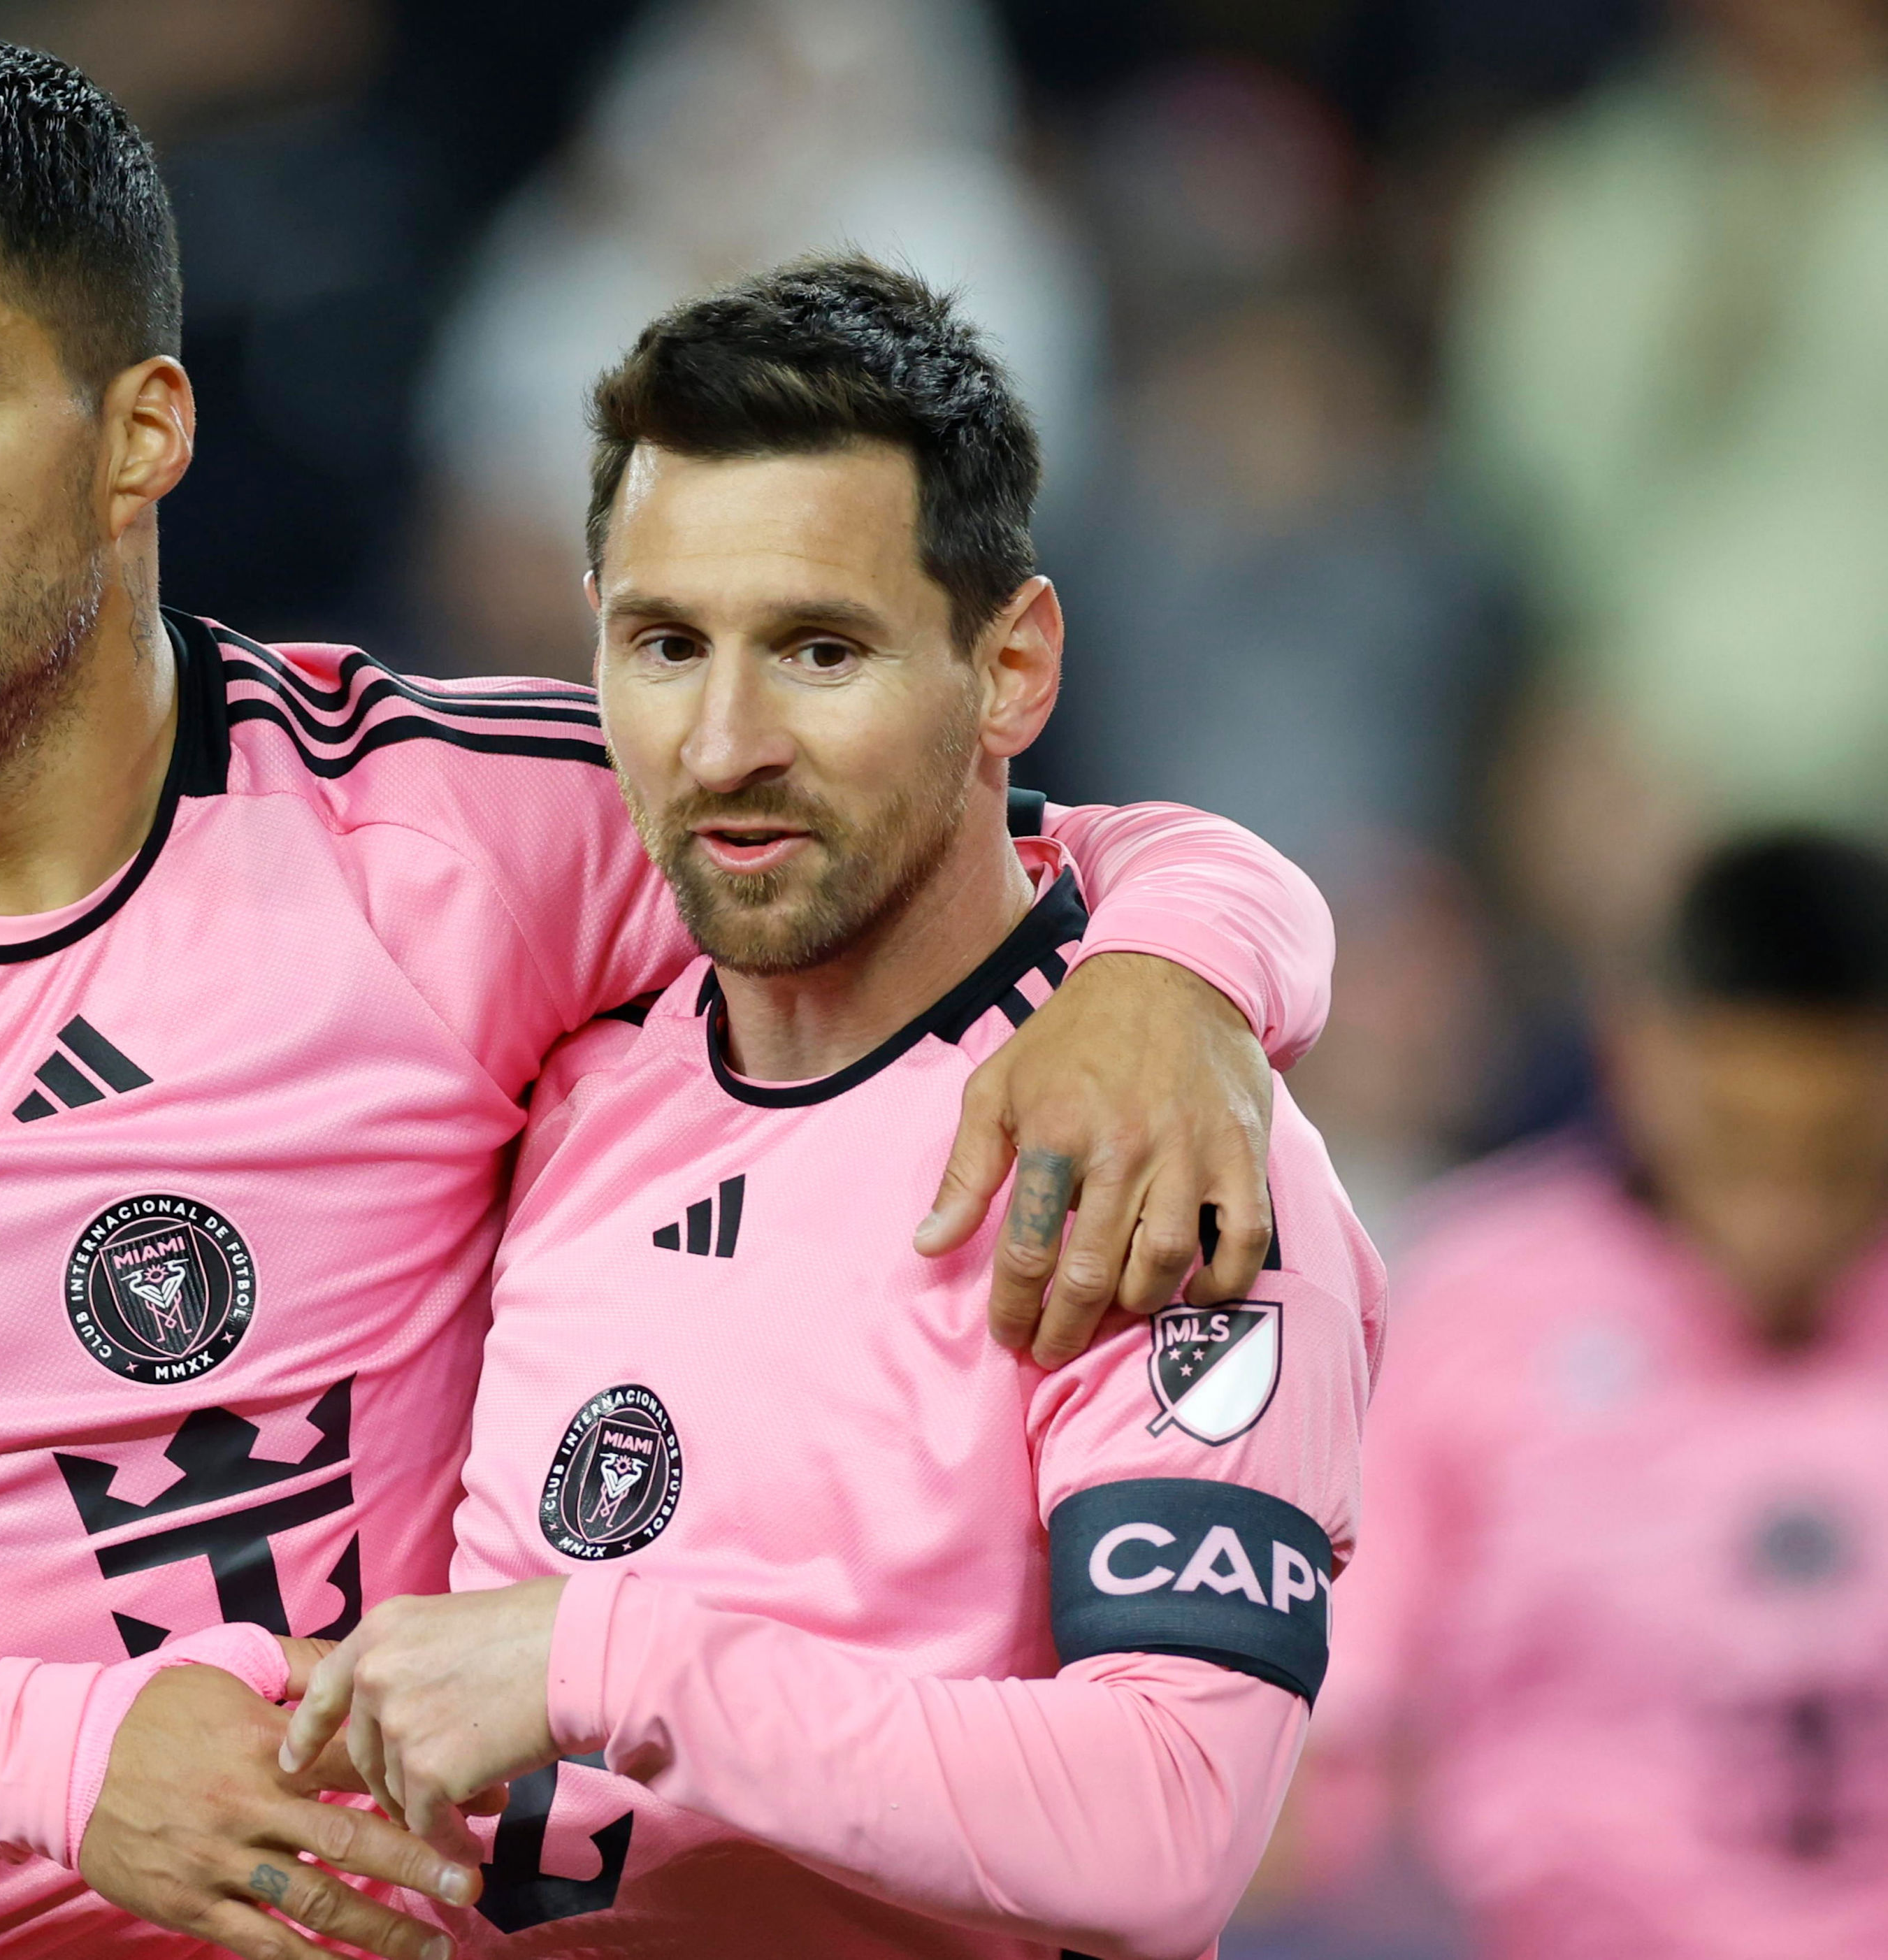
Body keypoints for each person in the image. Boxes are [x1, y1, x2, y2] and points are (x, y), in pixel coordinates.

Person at [0, 41, 1336, 1960]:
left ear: (142, 430)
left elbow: (958, 843)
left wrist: (1179, 969)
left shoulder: (462, 833)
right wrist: (60, 1762)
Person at [280, 257, 1383, 1959]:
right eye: (665, 644)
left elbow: (1166, 1824)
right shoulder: (563, 1073)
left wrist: (600, 1660)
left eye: (819, 648)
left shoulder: (1152, 1141)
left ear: (1011, 667)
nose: (725, 742)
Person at [1288, 833, 1888, 1959]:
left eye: (1834, 1155)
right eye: (1739, 1142)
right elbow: (1328, 1737)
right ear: (1637, 1053)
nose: (1782, 1211)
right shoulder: (1465, 1300)